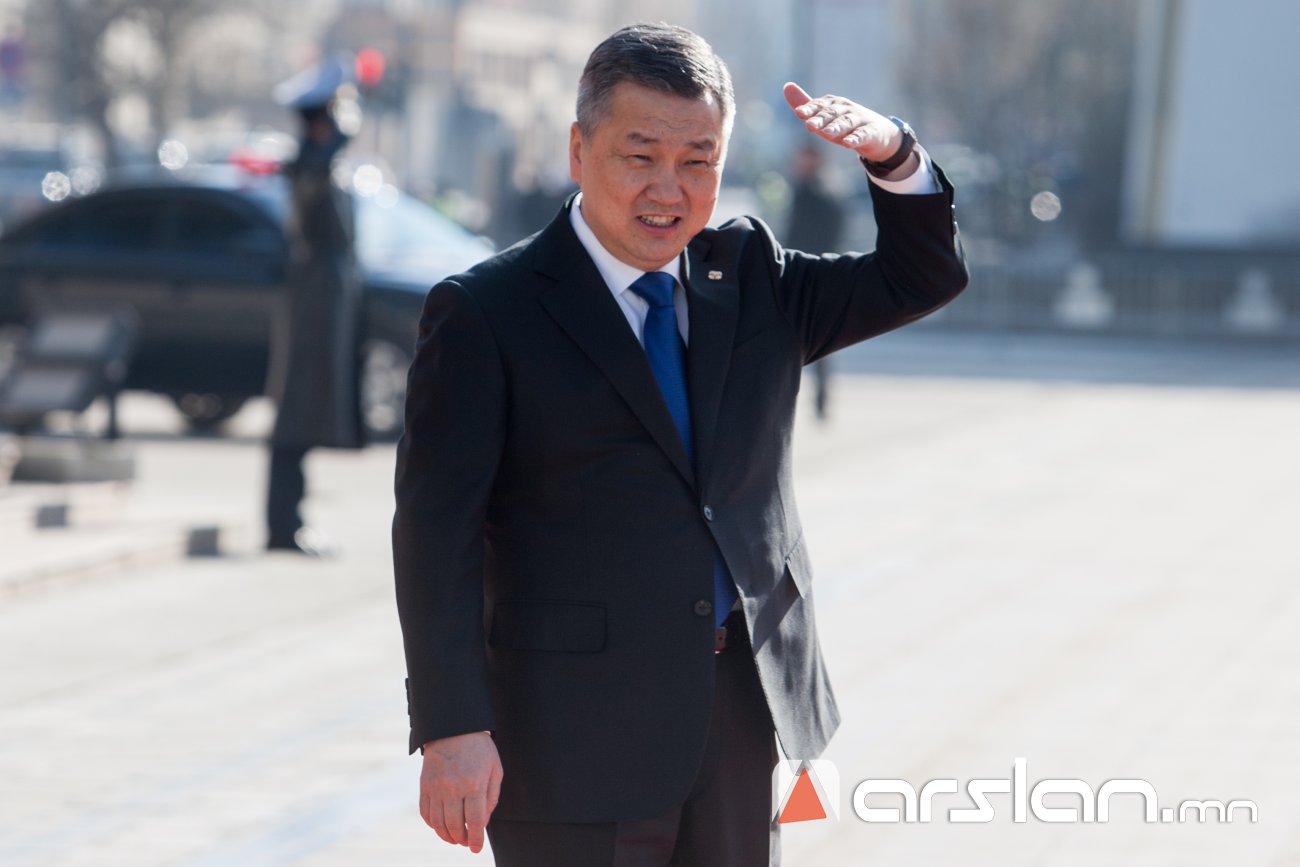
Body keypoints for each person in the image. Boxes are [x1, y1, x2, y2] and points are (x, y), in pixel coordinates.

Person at [393, 23, 967, 865]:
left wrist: (894, 155)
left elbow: (923, 276)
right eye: (641, 156)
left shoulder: (753, 277)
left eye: (699, 160)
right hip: (571, 731)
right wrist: (451, 727)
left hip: (738, 714)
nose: (669, 189)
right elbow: (434, 533)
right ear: (579, 149)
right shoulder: (487, 312)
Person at [265, 59, 364, 555]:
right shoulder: (314, 164)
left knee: (304, 415)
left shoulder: (318, 162)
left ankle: (288, 521)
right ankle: (283, 525)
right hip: (314, 304)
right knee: (297, 415)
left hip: (323, 299)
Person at [784, 143, 847, 420]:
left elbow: (806, 234)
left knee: (803, 342)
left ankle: (809, 400)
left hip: (809, 273)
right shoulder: (823, 188)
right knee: (814, 342)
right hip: (814, 272)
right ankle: (818, 400)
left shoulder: (816, 191)